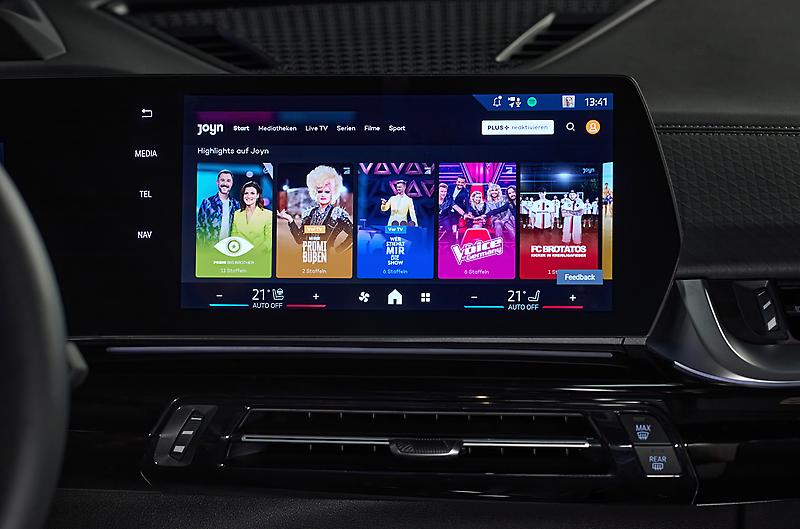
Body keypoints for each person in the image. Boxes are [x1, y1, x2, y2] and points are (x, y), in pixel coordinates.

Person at [276, 165, 353, 253]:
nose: (323, 195)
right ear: (315, 192)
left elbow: (353, 235)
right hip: (307, 257)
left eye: (327, 192)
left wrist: (338, 250)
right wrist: (290, 219)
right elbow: (300, 239)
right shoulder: (309, 214)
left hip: (328, 258)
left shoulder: (337, 214)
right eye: (320, 191)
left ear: (333, 193)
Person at [196, 169, 240, 245]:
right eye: (222, 180)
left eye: (228, 181)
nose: (225, 183)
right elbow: (200, 228)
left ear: (232, 183)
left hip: (229, 248)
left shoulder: (236, 205)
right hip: (209, 247)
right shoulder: (207, 203)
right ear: (217, 182)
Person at [231, 180, 273, 257]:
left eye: (252, 193)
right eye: (246, 193)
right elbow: (234, 236)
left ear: (257, 196)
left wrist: (255, 253)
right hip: (240, 256)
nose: (249, 196)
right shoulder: (237, 214)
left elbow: (269, 240)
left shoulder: (268, 214)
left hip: (260, 256)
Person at [439, 175, 469, 241]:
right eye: (441, 191)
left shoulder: (449, 199)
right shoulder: (450, 187)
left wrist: (464, 214)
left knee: (449, 230)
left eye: (445, 191)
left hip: (444, 217)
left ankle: (451, 243)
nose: (443, 193)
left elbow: (456, 207)